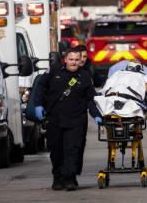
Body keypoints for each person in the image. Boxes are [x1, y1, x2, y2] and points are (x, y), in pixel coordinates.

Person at [32, 46, 102, 191]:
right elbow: (40, 87)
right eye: (71, 59)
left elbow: (91, 99)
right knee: (56, 151)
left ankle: (70, 178)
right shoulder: (54, 71)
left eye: (77, 60)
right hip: (55, 120)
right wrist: (37, 105)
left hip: (76, 121)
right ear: (65, 60)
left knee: (72, 150)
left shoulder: (85, 76)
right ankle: (58, 177)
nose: (74, 63)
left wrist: (96, 115)